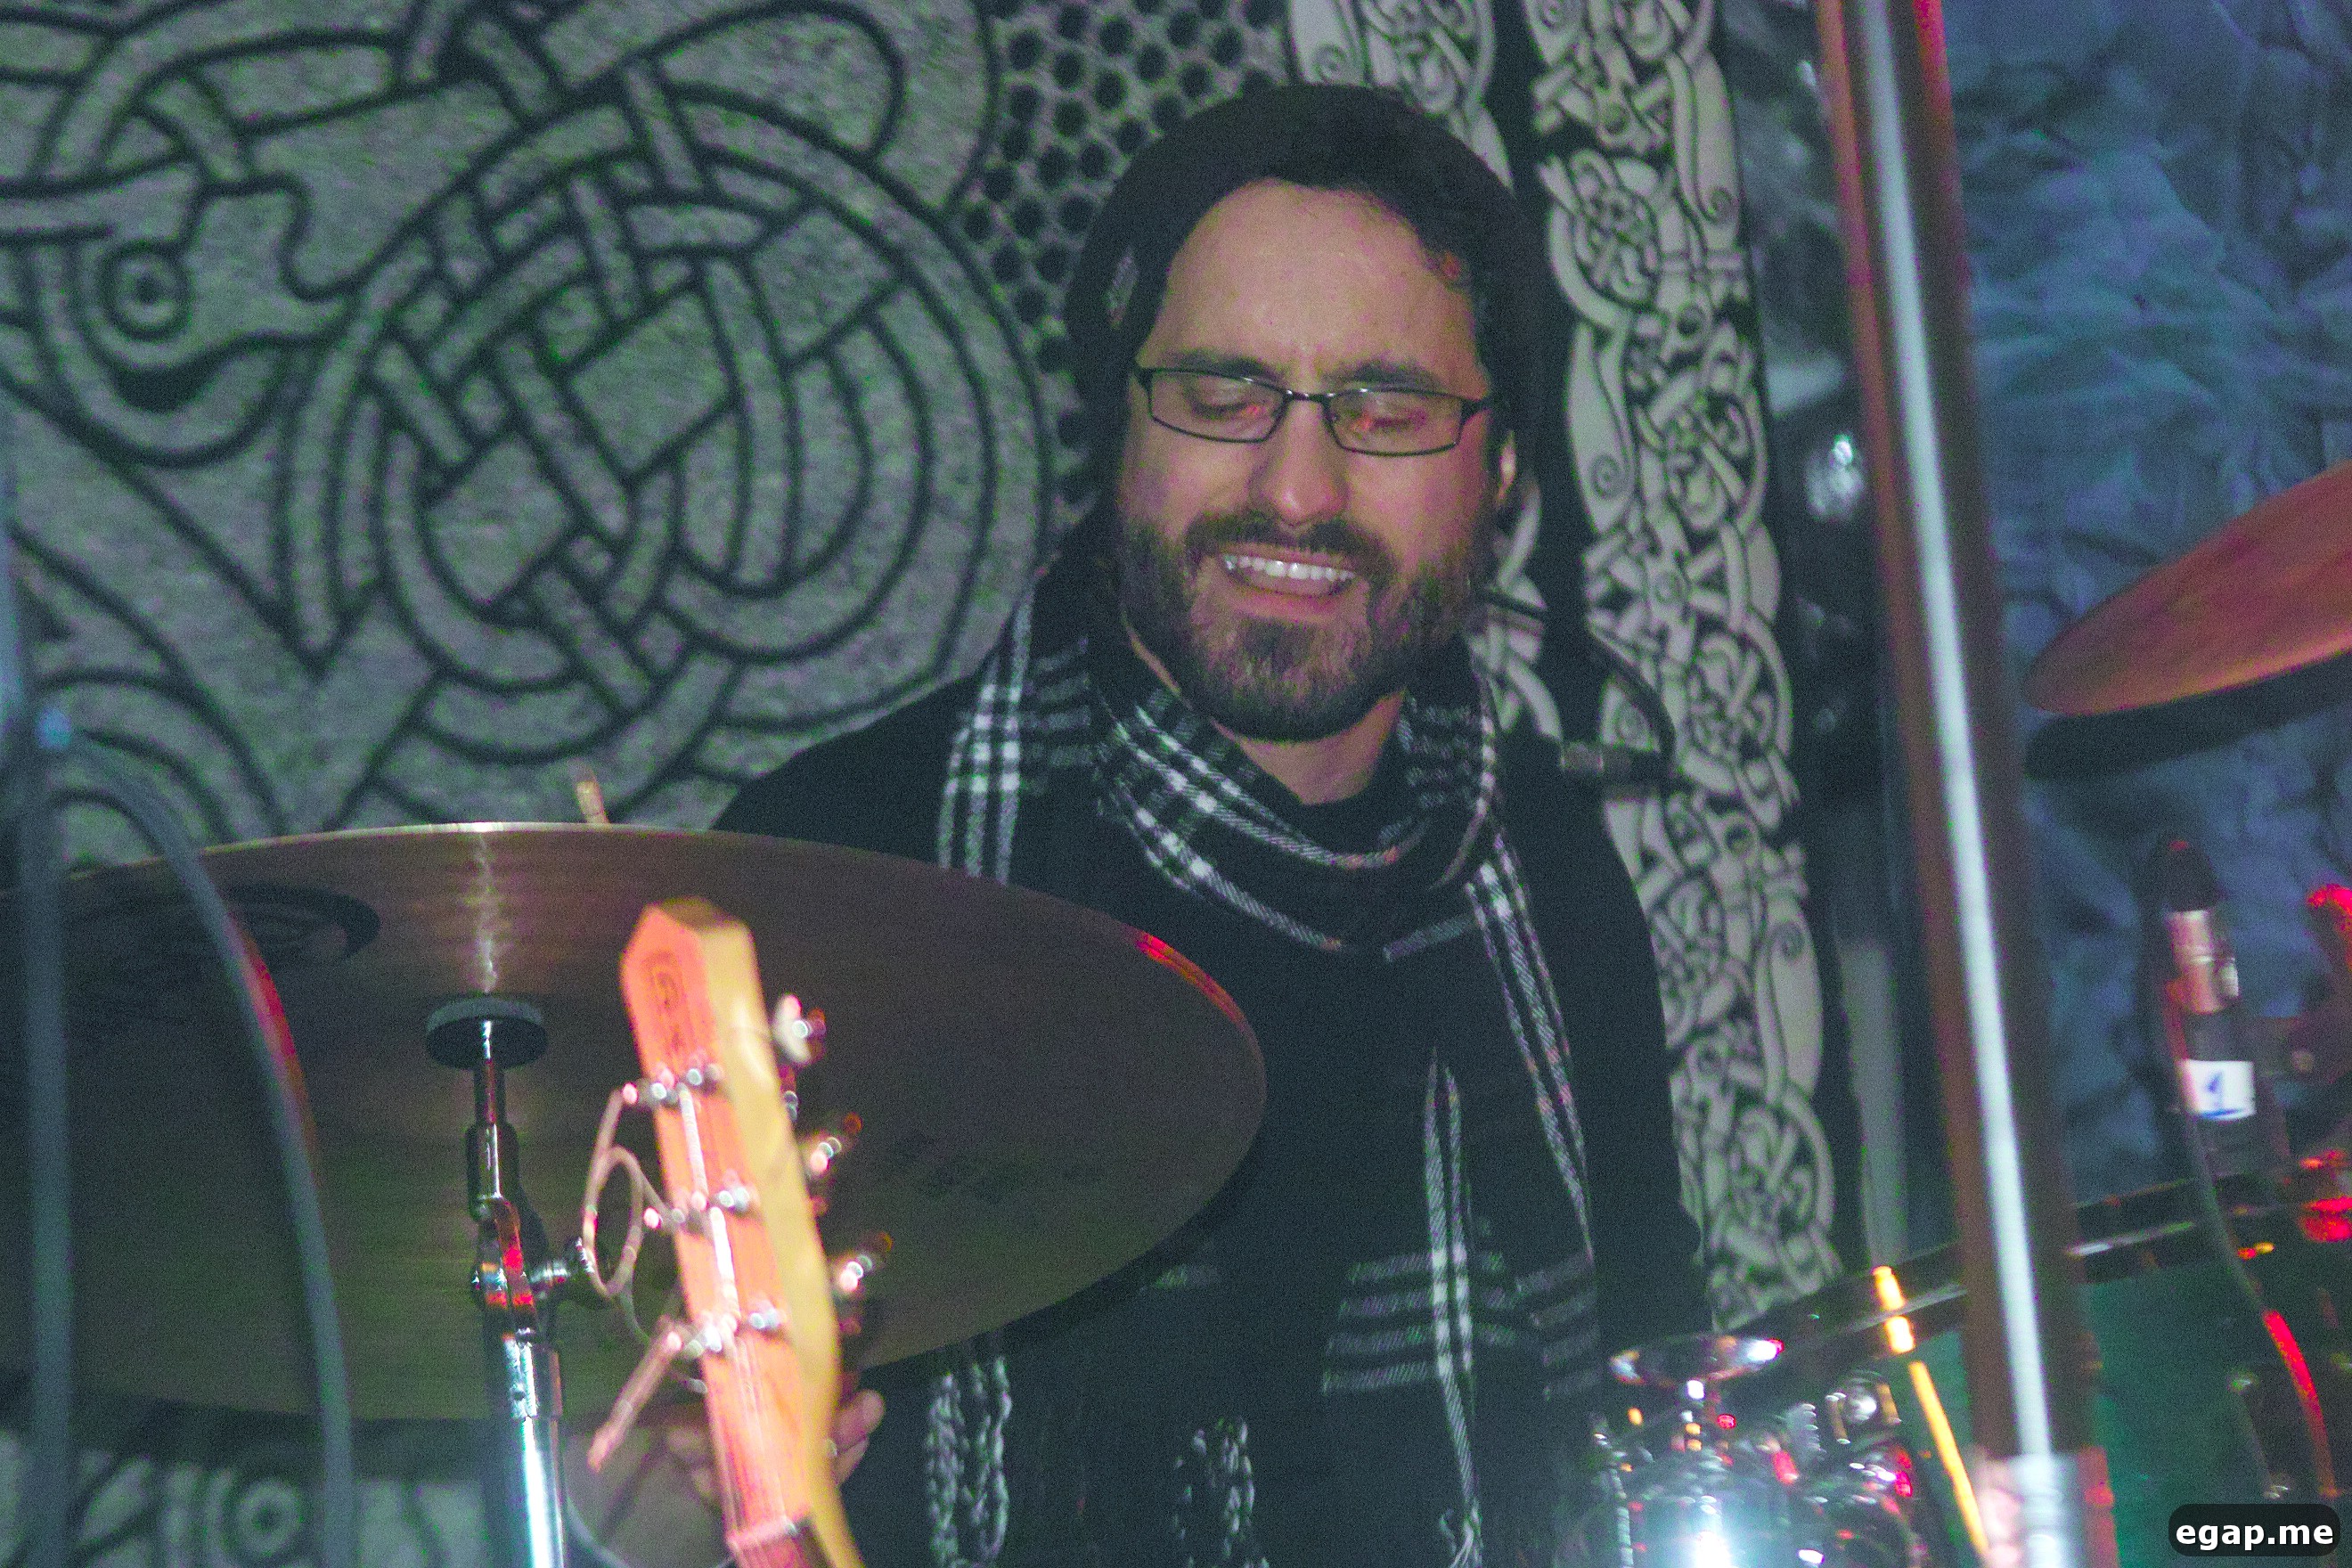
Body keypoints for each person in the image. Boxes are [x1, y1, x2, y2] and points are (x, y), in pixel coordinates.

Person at [715, 84, 1705, 1568]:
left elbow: (1655, 1395)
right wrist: (668, 1494)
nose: (1295, 489)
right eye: (1222, 394)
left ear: (1499, 473)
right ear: (1118, 432)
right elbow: (656, 1464)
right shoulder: (831, 870)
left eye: (1386, 409)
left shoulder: (1548, 874)